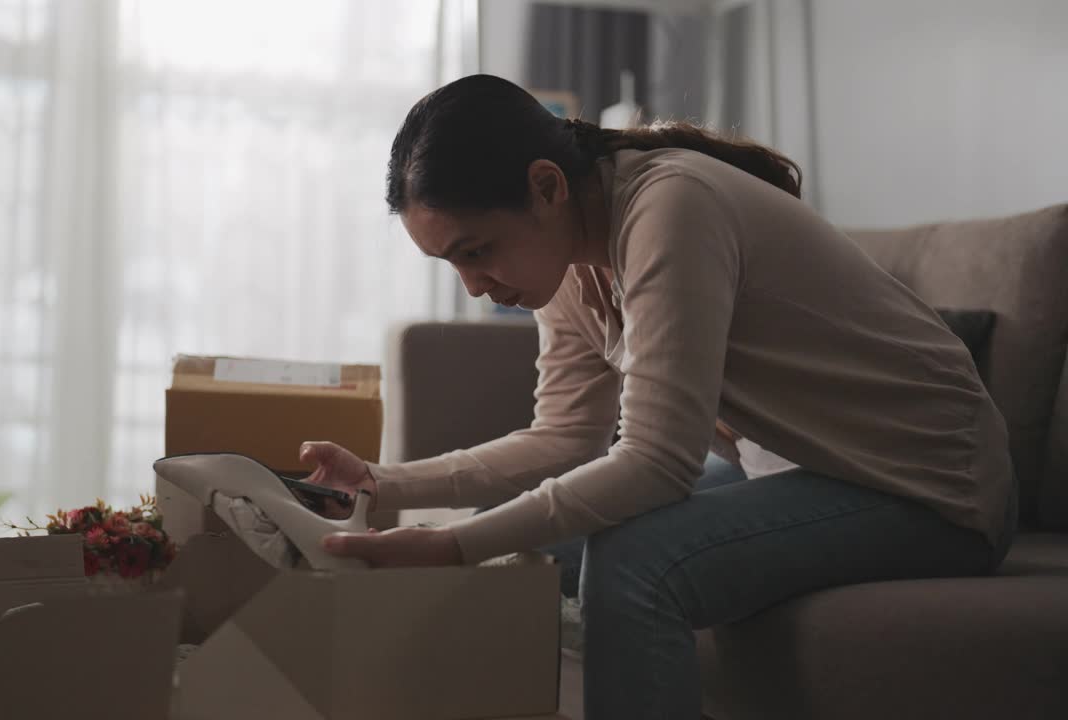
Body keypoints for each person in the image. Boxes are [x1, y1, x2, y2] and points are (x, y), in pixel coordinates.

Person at [299, 74, 1017, 720]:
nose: (475, 286)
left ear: (547, 187)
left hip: (928, 486)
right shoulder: (568, 265)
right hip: (797, 469)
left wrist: (454, 545)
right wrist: (382, 480)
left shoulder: (673, 206)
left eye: (477, 250)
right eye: (452, 262)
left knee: (636, 559)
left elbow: (657, 463)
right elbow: (562, 440)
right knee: (537, 534)